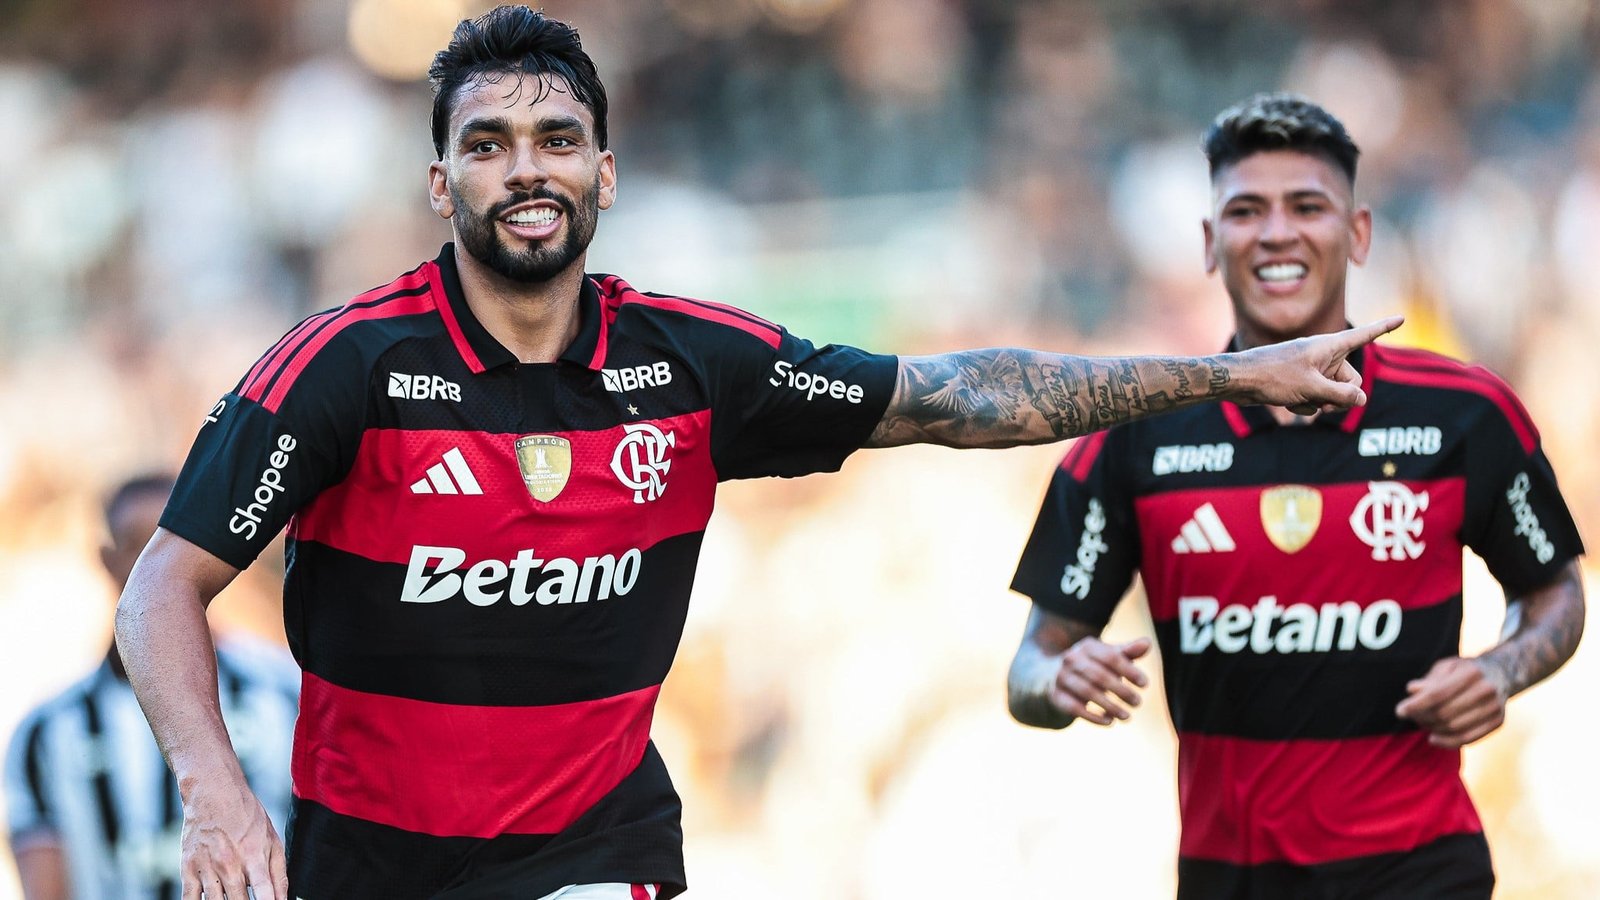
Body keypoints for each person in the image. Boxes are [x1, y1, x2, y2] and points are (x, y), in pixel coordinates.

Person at [112, 11, 1400, 899]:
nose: (526, 170)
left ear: (604, 175)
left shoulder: (690, 363)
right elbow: (163, 587)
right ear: (439, 185)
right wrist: (215, 790)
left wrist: (1221, 376)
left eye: (556, 141)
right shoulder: (343, 366)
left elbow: (959, 397)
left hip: (593, 848)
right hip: (365, 861)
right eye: (487, 146)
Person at [1006, 92, 1587, 899]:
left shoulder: (1465, 414)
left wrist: (1501, 671)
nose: (1277, 232)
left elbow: (1555, 591)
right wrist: (1058, 680)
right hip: (1228, 881)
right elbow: (1030, 667)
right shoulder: (1131, 437)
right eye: (1246, 210)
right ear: (1211, 244)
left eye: (1307, 206)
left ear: (1357, 234)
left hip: (1424, 873)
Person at [4, 474, 298, 900]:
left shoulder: (283, 693)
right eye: (138, 546)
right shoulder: (46, 733)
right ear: (107, 559)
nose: (157, 566)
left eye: (177, 547)